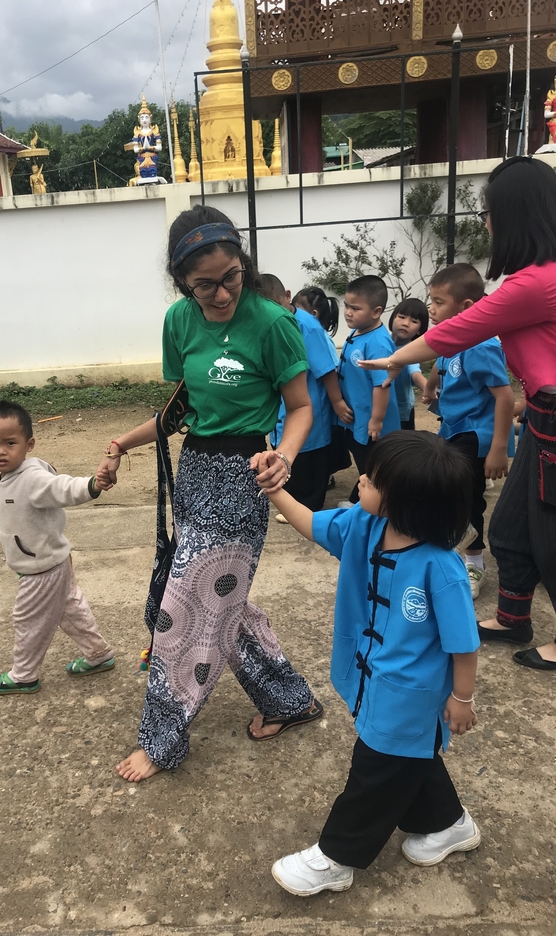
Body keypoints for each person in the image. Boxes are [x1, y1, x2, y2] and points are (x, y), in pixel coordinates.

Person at [97, 205, 320, 783]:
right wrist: (123, 442)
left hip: (246, 477)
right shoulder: (178, 321)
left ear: (244, 265)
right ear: (182, 283)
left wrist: (284, 457)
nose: (221, 294)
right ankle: (288, 699)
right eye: (204, 285)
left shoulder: (274, 323)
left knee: (184, 608)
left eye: (231, 277)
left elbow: (300, 407)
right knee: (224, 603)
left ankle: (162, 737)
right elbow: (182, 408)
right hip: (194, 473)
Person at [263, 431, 480, 897]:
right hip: (370, 675)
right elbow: (312, 523)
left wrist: (461, 698)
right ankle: (449, 822)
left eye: (374, 479)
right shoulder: (363, 524)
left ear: (407, 502)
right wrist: (275, 490)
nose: (360, 479)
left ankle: (336, 858)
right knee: (407, 757)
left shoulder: (441, 567)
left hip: (410, 694)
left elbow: (464, 645)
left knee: (375, 771)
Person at [359, 156, 556, 670]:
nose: (486, 223)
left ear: (514, 215)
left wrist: (393, 358)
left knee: (550, 530)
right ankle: (513, 616)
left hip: (553, 416)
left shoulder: (536, 283)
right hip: (542, 415)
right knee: (510, 525)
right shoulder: (536, 278)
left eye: (489, 213)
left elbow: (457, 331)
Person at [0, 401, 115, 695]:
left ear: (28, 444)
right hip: (51, 560)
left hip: (41, 569)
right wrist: (13, 550)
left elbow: (62, 487)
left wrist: (93, 485)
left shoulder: (32, 478)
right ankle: (99, 654)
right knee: (70, 609)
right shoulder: (4, 474)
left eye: (10, 443)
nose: (0, 451)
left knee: (28, 620)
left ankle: (24, 675)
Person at [422, 264, 515, 601]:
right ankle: (451, 546)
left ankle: (474, 562)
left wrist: (498, 448)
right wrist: (430, 389)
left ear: (465, 307)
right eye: (431, 300)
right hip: (453, 427)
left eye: (439, 302)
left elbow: (505, 397)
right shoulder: (452, 339)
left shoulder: (481, 346)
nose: (431, 309)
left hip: (476, 434)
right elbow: (439, 365)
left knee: (467, 497)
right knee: (447, 489)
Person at [261, 273, 353, 518]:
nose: (271, 312)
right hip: (283, 404)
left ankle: (307, 506)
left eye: (274, 305)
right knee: (286, 448)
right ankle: (294, 497)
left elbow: (326, 369)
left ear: (287, 297)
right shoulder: (268, 324)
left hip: (308, 402)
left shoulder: (307, 326)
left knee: (308, 453)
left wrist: (337, 402)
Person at [335, 276, 400, 507]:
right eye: (346, 305)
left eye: (355, 308)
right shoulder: (358, 332)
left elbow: (382, 384)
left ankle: (366, 505)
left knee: (373, 464)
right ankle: (362, 501)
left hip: (373, 424)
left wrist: (377, 419)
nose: (347, 312)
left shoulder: (378, 343)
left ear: (376, 311)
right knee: (364, 461)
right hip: (359, 418)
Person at [388, 297, 429, 430]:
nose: (406, 323)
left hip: (401, 412)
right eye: (402, 317)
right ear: (393, 318)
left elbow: (415, 373)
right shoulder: (381, 342)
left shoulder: (411, 351)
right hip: (378, 406)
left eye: (414, 321)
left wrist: (428, 388)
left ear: (419, 330)